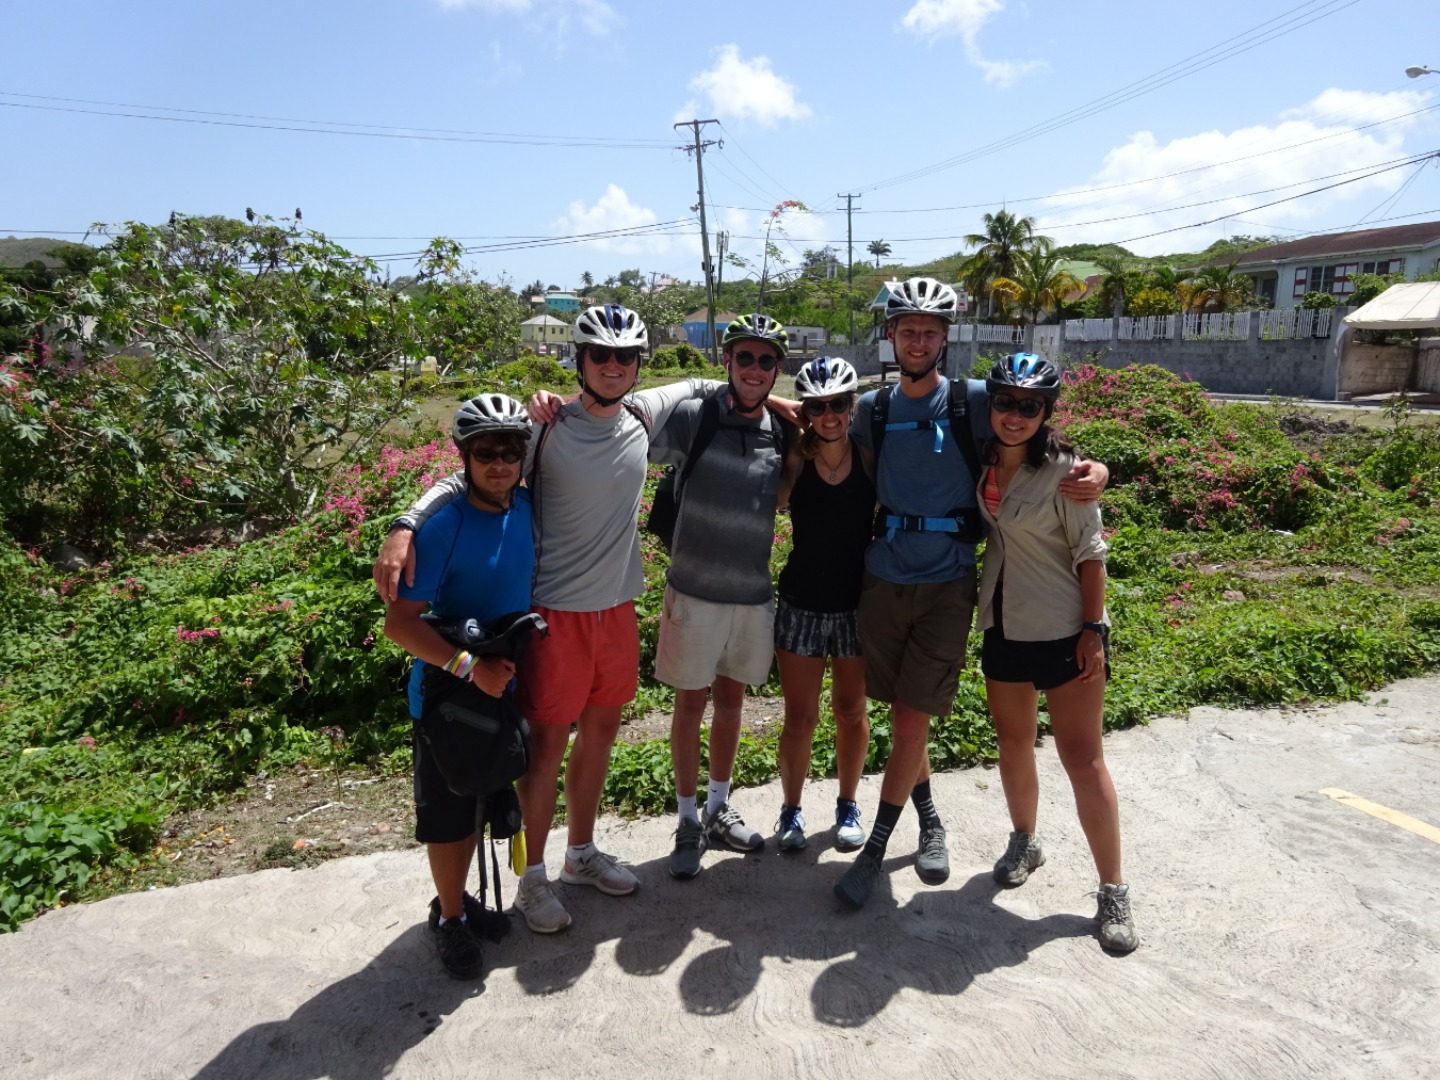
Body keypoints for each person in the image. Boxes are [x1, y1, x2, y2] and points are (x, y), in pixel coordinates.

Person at [375, 304, 704, 935]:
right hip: (556, 615)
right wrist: (406, 522)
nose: (613, 364)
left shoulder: (643, 413)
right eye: (601, 354)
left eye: (626, 355)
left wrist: (785, 404)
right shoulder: (544, 428)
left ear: (639, 364)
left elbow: (707, 383)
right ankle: (532, 878)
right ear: (580, 360)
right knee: (546, 748)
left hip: (618, 608)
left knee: (601, 734)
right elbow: (469, 476)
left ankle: (581, 853)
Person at [833, 277, 1109, 910]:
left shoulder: (975, 399)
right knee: (904, 713)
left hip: (950, 582)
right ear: (891, 335)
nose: (918, 341)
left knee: (912, 717)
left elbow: (1039, 431)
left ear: (945, 339)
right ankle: (930, 819)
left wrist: (1097, 469)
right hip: (884, 578)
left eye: (930, 332)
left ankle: (875, 851)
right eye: (908, 330)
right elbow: (814, 424)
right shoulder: (872, 407)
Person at [976, 353, 1137, 954]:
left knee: (1083, 760)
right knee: (1013, 744)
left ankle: (1113, 890)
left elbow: (1091, 554)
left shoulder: (1068, 473)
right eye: (1005, 402)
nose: (1014, 415)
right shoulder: (983, 458)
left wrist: (1094, 628)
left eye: (1029, 406)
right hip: (1002, 625)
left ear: (1046, 412)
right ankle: (1025, 841)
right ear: (990, 403)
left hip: (1065, 631)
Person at [382, 393, 534, 978]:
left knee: (479, 799)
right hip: (449, 693)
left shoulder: (525, 505)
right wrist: (471, 669)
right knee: (448, 815)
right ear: (464, 456)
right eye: (485, 452)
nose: (499, 463)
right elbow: (400, 625)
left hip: (499, 684)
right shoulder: (444, 526)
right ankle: (448, 918)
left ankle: (460, 904)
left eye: (510, 452)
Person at [655, 313, 793, 879]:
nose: (754, 369)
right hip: (693, 591)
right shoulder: (697, 416)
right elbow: (627, 422)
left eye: (766, 360)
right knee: (690, 706)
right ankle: (688, 818)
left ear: (777, 368)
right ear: (727, 361)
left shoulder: (781, 432)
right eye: (744, 358)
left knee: (732, 702)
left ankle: (717, 808)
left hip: (751, 595)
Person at [772, 356, 873, 853]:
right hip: (802, 602)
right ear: (805, 410)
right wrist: (781, 406)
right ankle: (790, 809)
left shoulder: (870, 455)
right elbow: (773, 502)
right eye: (817, 406)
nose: (829, 415)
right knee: (800, 717)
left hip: (856, 604)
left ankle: (847, 803)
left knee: (852, 712)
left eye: (838, 404)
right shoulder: (795, 455)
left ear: (853, 406)